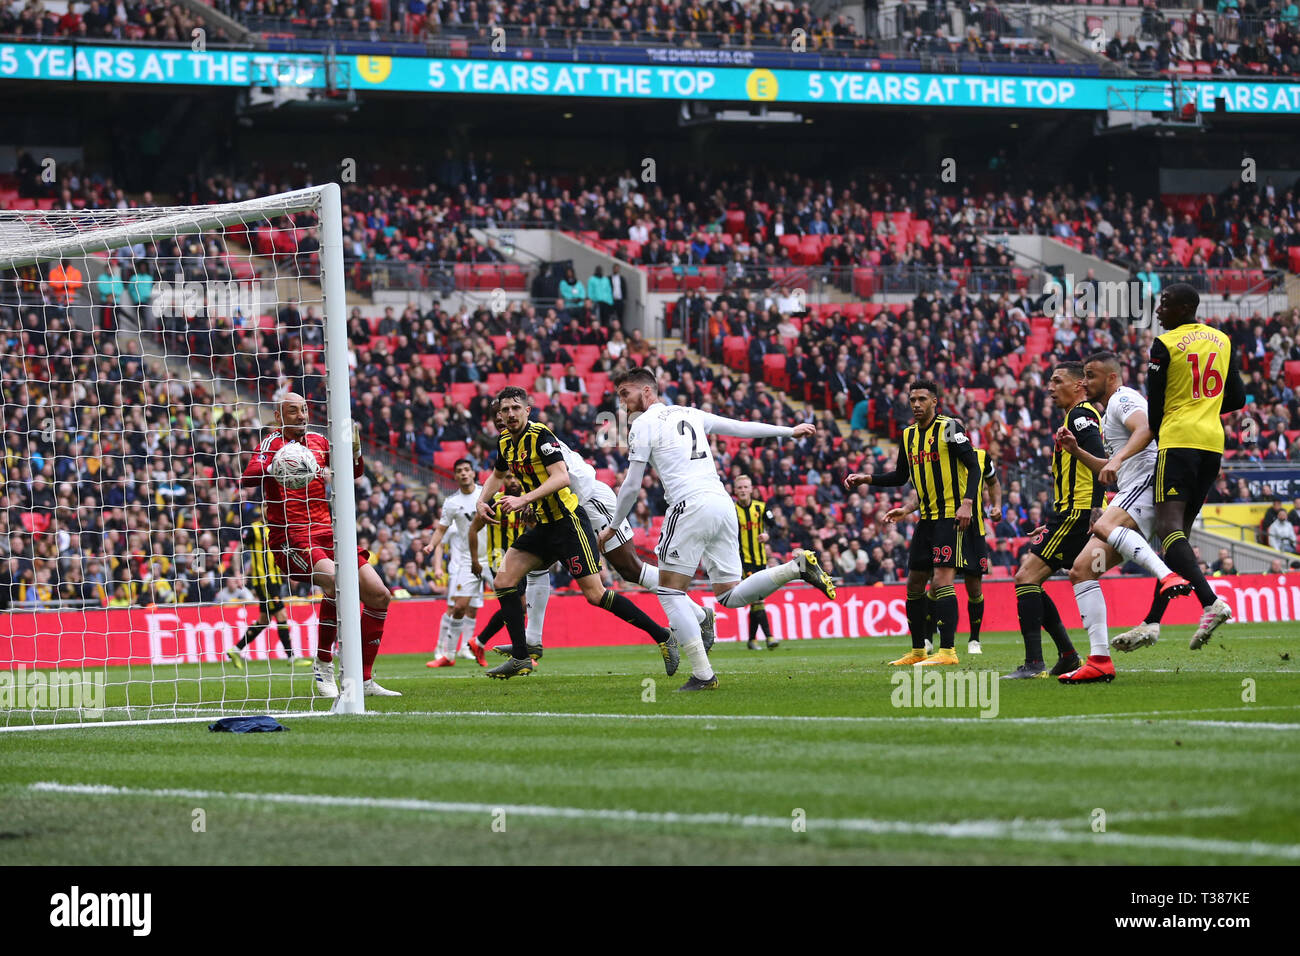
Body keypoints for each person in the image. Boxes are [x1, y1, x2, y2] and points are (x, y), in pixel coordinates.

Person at [601, 368, 835, 691]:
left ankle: (703, 674)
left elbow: (630, 486)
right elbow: (738, 428)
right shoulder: (689, 413)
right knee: (728, 594)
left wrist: (614, 527)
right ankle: (795, 567)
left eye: (625, 394)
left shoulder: (642, 424)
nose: (622, 403)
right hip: (722, 505)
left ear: (646, 392)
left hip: (689, 506)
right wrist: (788, 431)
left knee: (670, 592)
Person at [477, 386, 676, 679]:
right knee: (504, 580)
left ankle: (662, 635)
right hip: (543, 525)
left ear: (527, 411)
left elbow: (561, 477)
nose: (510, 414)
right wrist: (481, 501)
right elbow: (496, 474)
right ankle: (521, 657)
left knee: (595, 595)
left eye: (515, 408)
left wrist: (523, 499)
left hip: (568, 523)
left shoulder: (541, 437)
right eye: (505, 410)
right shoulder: (505, 442)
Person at [240, 392, 400, 698]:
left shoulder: (319, 442)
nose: (301, 416)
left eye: (303, 410)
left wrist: (355, 453)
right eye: (293, 411)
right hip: (292, 536)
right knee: (339, 583)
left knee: (380, 595)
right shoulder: (271, 444)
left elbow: (354, 474)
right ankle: (324, 666)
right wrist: (277, 466)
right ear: (278, 416)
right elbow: (247, 478)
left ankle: (364, 681)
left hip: (330, 533)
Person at [1057, 351, 1194, 683]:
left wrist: (1117, 461)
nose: (1085, 381)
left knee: (1103, 524)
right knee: (1082, 570)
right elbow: (1108, 468)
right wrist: (1077, 451)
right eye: (1084, 375)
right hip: (1132, 491)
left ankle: (1166, 576)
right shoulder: (1109, 414)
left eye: (1091, 375)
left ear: (1112, 377)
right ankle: (1100, 660)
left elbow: (1147, 428)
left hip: (1145, 484)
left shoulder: (1123, 398)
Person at [844, 380, 981, 666]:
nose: (916, 404)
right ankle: (918, 651)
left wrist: (967, 502)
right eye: (912, 399)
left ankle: (947, 652)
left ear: (935, 401)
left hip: (949, 517)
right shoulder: (907, 436)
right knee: (915, 583)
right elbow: (899, 476)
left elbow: (973, 466)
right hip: (925, 519)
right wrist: (867, 479)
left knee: (942, 580)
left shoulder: (949, 428)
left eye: (922, 399)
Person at [1144, 284, 1245, 650]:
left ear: (1186, 307)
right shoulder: (1222, 339)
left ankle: (1211, 601)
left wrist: (1160, 436)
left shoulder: (1164, 344)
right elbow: (1236, 397)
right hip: (1211, 443)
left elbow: (1155, 406)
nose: (1159, 309)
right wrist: (1204, 406)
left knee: (1167, 529)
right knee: (1177, 539)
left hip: (1178, 439)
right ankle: (1152, 621)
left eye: (1165, 303)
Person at [1002, 363, 1104, 679]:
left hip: (1078, 513)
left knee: (1026, 578)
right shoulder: (1072, 418)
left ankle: (1035, 663)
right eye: (1049, 381)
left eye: (1057, 381)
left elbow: (1100, 457)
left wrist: (1096, 506)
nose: (1050, 387)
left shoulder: (1080, 415)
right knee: (1031, 580)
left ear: (1079, 385)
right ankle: (1069, 655)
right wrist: (1051, 519)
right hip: (1068, 513)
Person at [889, 429, 1001, 655]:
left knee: (973, 586)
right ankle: (929, 640)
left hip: (974, 529)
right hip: (946, 524)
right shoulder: (936, 457)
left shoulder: (979, 457)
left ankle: (973, 640)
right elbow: (924, 490)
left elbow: (993, 482)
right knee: (936, 583)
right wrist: (908, 508)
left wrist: (996, 505)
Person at [225, 508, 313, 668]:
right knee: (281, 613)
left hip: (276, 580)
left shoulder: (277, 529)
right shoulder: (253, 529)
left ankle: (236, 649)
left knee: (264, 620)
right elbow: (238, 549)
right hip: (264, 581)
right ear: (264, 510)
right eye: (268, 507)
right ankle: (291, 657)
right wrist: (238, 572)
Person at [421, 459, 486, 668]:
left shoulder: (486, 494)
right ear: (455, 476)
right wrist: (432, 547)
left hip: (494, 556)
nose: (464, 474)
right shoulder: (452, 503)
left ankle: (522, 650)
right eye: (459, 471)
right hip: (466, 562)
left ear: (473, 473)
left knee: (512, 601)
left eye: (467, 470)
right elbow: (440, 531)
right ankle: (446, 652)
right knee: (457, 607)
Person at [733, 474, 778, 650]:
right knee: (758, 599)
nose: (743, 490)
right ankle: (769, 637)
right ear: (735, 491)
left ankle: (752, 640)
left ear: (751, 489)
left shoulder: (761, 507)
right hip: (743, 561)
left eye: (746, 487)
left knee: (755, 599)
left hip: (761, 560)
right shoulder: (731, 509)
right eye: (740, 487)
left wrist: (767, 535)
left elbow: (774, 526)